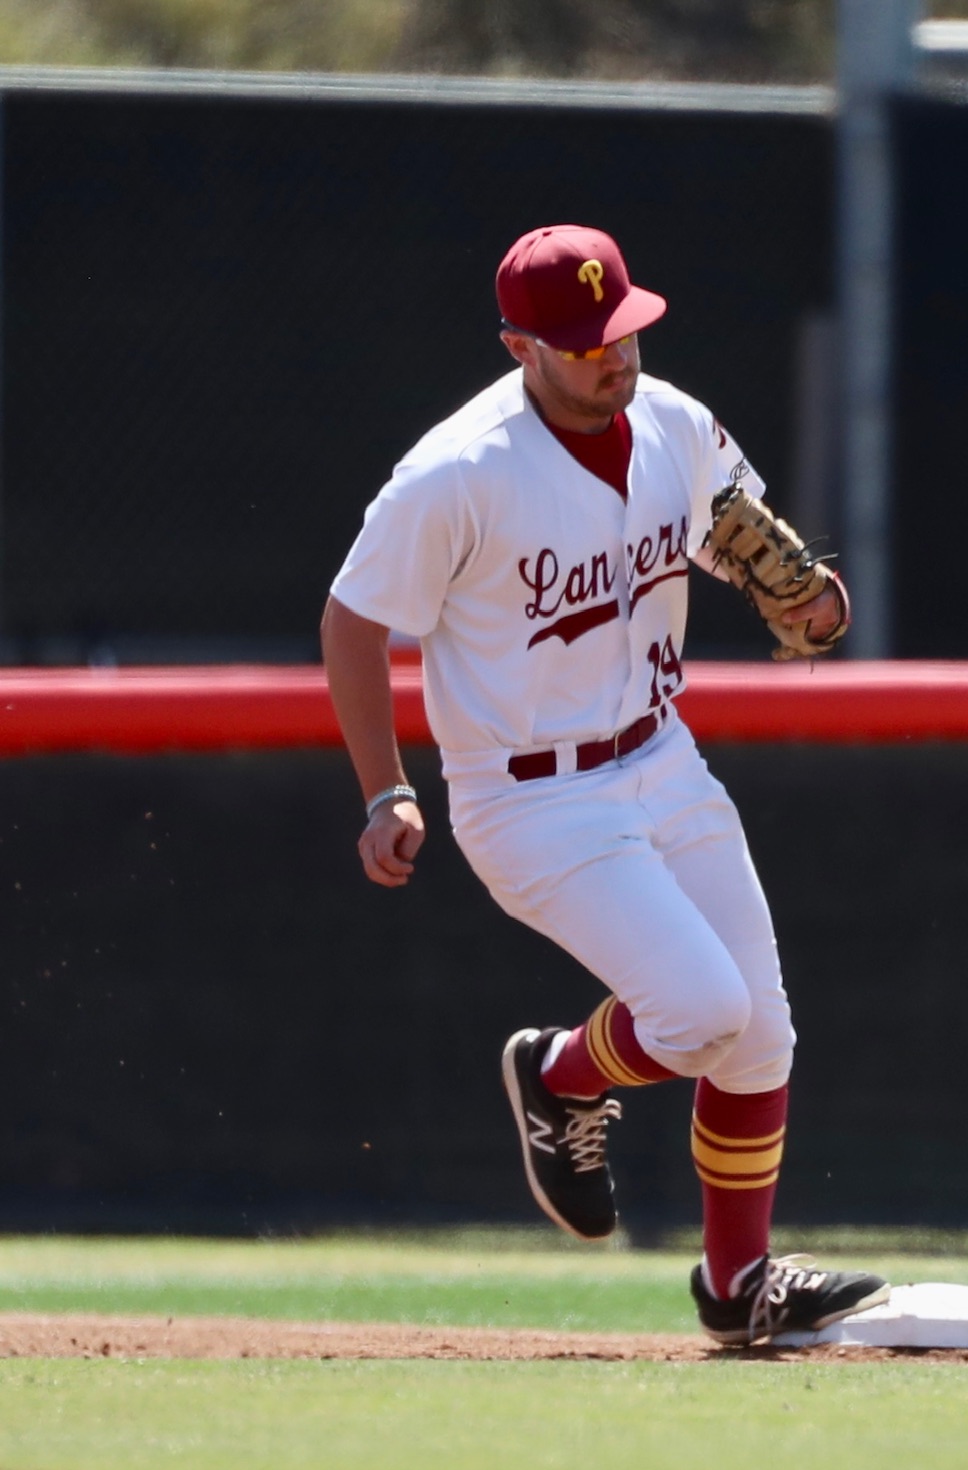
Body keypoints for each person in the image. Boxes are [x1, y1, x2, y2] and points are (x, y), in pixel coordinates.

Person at [320, 224, 887, 1347]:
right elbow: (351, 618)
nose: (610, 358)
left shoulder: (673, 422)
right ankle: (562, 1075)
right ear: (519, 345)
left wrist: (810, 602)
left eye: (620, 332)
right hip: (528, 796)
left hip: (660, 756)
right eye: (581, 345)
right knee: (702, 1012)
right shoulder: (459, 473)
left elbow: (739, 546)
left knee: (760, 1037)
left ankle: (738, 1292)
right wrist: (385, 789)